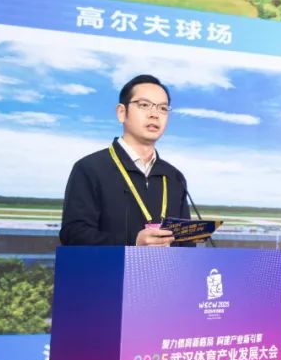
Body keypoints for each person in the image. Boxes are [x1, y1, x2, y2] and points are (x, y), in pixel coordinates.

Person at [59, 74, 190, 246]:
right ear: (122, 112)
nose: (154, 114)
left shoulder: (174, 177)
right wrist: (132, 244)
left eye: (163, 108)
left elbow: (186, 244)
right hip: (110, 265)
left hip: (165, 265)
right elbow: (73, 235)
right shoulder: (90, 168)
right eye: (144, 105)